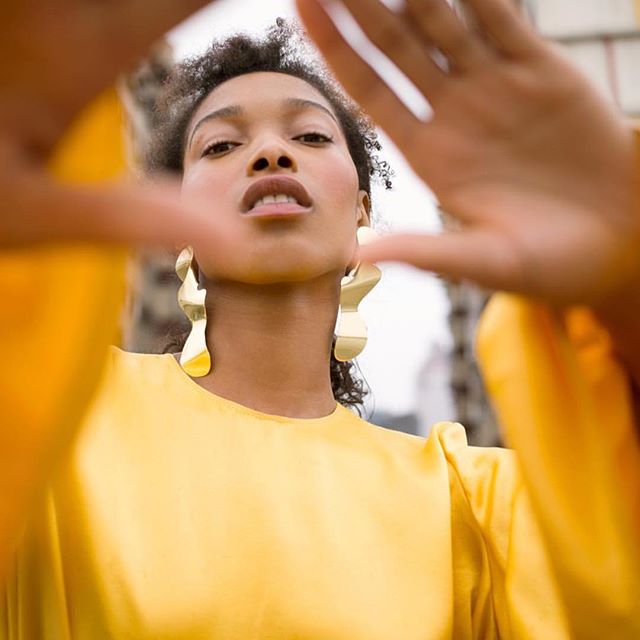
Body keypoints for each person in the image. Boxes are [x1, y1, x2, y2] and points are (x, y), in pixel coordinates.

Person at [0, 1, 638, 639]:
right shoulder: (59, 416)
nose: (270, 153)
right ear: (173, 225)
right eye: (221, 145)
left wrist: (624, 283)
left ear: (361, 208)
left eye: (309, 136)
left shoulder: (465, 502)